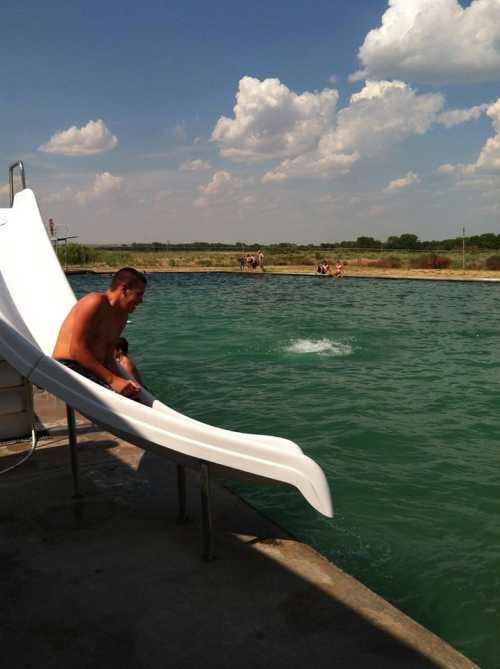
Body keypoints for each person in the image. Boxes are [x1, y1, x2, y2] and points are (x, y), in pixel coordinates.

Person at [52, 267, 146, 398]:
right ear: (124, 289)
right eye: (139, 294)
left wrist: (123, 381)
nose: (141, 300)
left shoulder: (121, 316)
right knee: (120, 401)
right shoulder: (94, 302)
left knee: (136, 397)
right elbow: (76, 350)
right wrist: (113, 380)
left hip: (94, 371)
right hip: (67, 366)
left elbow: (108, 357)